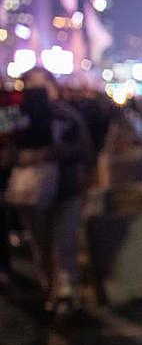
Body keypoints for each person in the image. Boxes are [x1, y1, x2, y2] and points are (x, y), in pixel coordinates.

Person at [13, 68, 94, 316]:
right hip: (31, 194)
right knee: (42, 245)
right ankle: (50, 288)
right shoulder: (14, 117)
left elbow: (84, 149)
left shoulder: (66, 114)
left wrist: (50, 154)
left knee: (66, 243)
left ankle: (65, 294)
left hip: (67, 190)